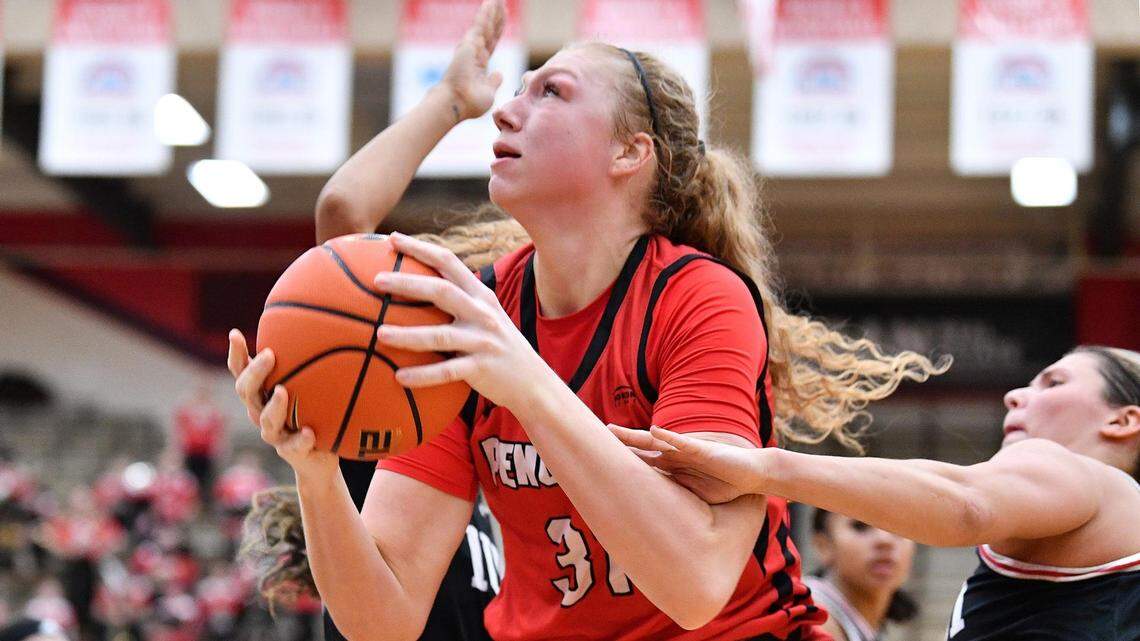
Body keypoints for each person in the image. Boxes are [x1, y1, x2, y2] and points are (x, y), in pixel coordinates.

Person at [227, 1, 945, 638]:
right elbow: (383, 622)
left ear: (630, 152)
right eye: (515, 94)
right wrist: (317, 473)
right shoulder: (473, 314)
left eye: (552, 93)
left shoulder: (698, 299)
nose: (506, 112)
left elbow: (694, 588)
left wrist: (528, 386)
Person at [610, 346, 1140, 640]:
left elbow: (966, 503)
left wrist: (762, 468)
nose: (1015, 394)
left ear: (1123, 419)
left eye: (1053, 383)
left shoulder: (1079, 473)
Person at [804, 510, 917, 641]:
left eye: (899, 528)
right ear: (823, 546)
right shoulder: (809, 616)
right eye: (860, 526)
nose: (885, 540)